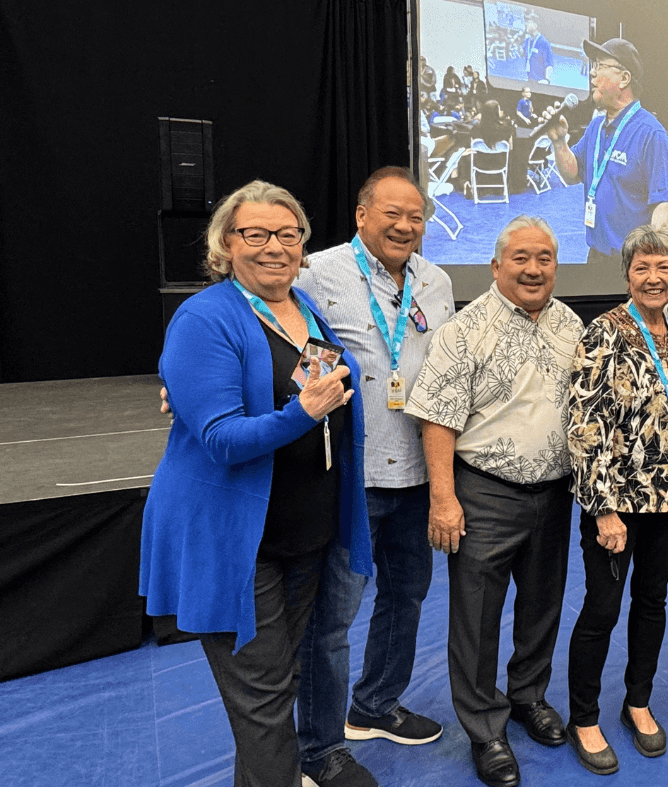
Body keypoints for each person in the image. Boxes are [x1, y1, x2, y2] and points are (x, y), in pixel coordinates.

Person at [140, 181, 371, 787]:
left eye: (288, 234)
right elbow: (221, 439)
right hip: (236, 542)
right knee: (266, 704)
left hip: (303, 533)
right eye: (256, 234)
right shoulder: (204, 317)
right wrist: (301, 413)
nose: (275, 247)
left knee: (273, 690)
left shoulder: (303, 308)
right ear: (226, 245)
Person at [407, 216, 585, 787]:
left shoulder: (571, 324)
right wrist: (443, 498)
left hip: (554, 493)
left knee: (542, 605)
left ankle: (529, 698)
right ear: (496, 265)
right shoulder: (464, 330)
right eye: (521, 258)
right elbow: (436, 418)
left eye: (545, 259)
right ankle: (485, 729)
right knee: (477, 618)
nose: (534, 269)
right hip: (484, 492)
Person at [294, 169, 456, 787]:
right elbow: (260, 321)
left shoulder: (435, 282)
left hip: (418, 472)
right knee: (332, 619)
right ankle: (319, 748)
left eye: (416, 217)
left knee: (406, 596)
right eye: (393, 214)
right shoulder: (316, 272)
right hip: (350, 477)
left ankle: (376, 704)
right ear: (362, 215)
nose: (405, 226)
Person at [566, 226, 668, 776]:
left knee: (653, 603)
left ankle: (637, 702)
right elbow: (582, 425)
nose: (653, 277)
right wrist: (602, 509)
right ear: (626, 276)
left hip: (667, 500)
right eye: (642, 267)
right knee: (602, 607)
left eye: (663, 267)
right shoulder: (603, 332)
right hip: (615, 504)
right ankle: (585, 716)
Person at [546, 37, 668, 266]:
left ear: (624, 78)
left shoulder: (650, 134)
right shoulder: (596, 127)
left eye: (600, 66)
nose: (592, 74)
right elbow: (571, 174)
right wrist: (559, 143)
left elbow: (663, 208)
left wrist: (647, 264)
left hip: (632, 264)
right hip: (596, 256)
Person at [522, 12, 554, 84]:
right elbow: (522, 53)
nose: (526, 24)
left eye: (528, 22)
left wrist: (547, 79)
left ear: (535, 26)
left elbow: (549, 64)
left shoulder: (544, 42)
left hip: (540, 82)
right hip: (529, 79)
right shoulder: (527, 41)